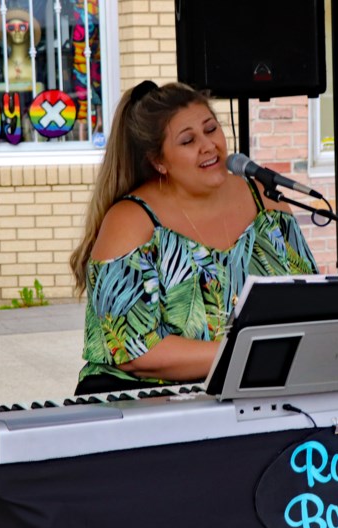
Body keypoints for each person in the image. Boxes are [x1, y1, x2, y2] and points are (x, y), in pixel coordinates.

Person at [69, 80, 318, 395]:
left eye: (211, 129)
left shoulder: (266, 202)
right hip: (142, 400)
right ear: (159, 161)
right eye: (187, 141)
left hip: (253, 387)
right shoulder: (131, 221)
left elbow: (308, 302)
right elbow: (135, 352)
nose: (208, 145)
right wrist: (246, 354)